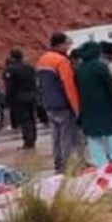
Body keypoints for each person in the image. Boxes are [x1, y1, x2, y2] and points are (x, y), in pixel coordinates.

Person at [74, 41, 112, 168]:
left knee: (93, 137)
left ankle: (100, 165)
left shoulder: (79, 70)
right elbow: (111, 88)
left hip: (87, 108)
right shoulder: (101, 67)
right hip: (105, 107)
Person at [37, 32, 81, 172]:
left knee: (55, 137)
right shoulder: (61, 61)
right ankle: (66, 166)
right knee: (66, 138)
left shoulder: (42, 59)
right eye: (67, 44)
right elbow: (68, 85)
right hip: (63, 105)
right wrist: (76, 107)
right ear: (60, 44)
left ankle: (58, 163)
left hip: (49, 105)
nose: (68, 47)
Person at [2, 49, 37, 150]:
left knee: (24, 120)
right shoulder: (29, 67)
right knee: (31, 118)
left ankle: (28, 141)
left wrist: (7, 100)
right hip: (31, 95)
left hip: (19, 98)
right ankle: (33, 138)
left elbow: (10, 86)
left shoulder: (11, 70)